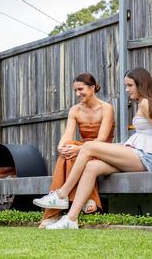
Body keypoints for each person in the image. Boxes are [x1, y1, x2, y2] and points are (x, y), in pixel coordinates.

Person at [34, 67, 152, 229]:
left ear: (141, 84)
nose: (127, 90)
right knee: (92, 166)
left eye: (130, 86)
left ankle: (62, 194)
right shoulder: (143, 103)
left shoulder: (147, 103)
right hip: (136, 153)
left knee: (89, 147)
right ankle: (71, 219)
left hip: (145, 157)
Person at [38, 73, 115, 228]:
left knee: (75, 152)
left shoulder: (106, 108)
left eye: (81, 89)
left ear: (92, 88)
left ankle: (54, 211)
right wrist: (61, 146)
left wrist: (79, 149)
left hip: (102, 151)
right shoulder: (75, 110)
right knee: (67, 152)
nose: (78, 94)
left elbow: (101, 139)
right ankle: (81, 202)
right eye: (75, 90)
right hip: (83, 148)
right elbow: (67, 134)